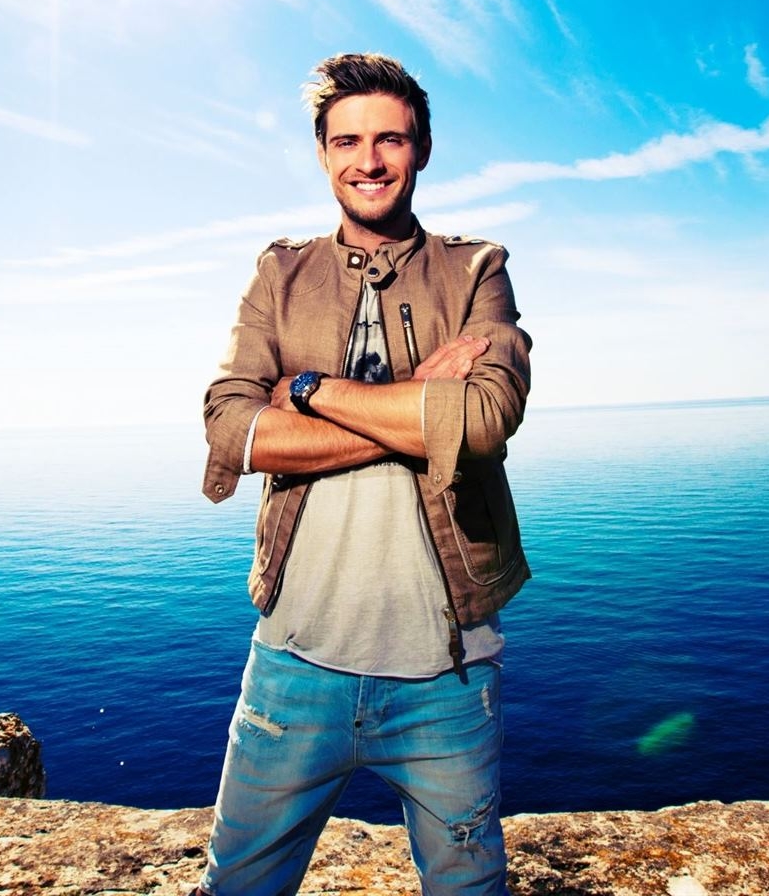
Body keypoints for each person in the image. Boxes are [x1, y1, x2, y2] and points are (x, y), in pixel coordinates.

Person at [198, 52, 533, 896]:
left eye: (391, 139)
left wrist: (310, 392)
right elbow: (233, 429)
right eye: (347, 141)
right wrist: (420, 404)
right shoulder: (280, 274)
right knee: (238, 888)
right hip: (293, 663)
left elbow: (484, 419)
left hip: (448, 674)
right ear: (322, 153)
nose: (369, 160)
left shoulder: (476, 268)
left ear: (422, 149)